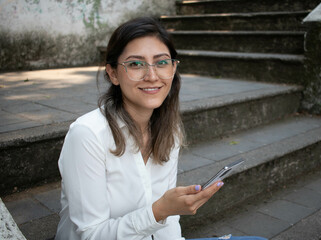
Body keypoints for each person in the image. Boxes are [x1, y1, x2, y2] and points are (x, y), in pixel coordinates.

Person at [55, 17, 224, 240]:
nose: (152, 76)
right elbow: (92, 235)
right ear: (113, 73)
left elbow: (170, 221)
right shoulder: (88, 135)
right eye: (136, 64)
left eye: (162, 62)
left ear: (173, 68)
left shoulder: (168, 131)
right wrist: (160, 211)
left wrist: (167, 212)